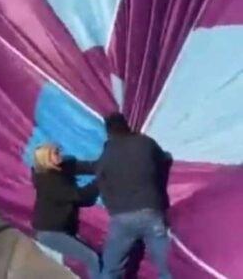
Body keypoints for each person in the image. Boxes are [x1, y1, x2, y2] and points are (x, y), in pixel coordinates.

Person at [95, 113, 172, 279]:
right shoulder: (145, 142)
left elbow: (100, 178)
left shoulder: (108, 153)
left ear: (108, 132)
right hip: (151, 211)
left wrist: (110, 205)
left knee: (111, 270)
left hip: (121, 217)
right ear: (127, 125)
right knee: (167, 269)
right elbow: (164, 159)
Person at [31, 143, 101, 279]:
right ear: (46, 159)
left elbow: (90, 167)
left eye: (59, 151)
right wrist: (101, 179)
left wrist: (109, 164)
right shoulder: (49, 182)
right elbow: (82, 196)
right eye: (55, 153)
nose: (60, 154)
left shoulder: (64, 166)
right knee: (91, 258)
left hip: (63, 227)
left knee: (93, 256)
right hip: (51, 232)